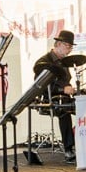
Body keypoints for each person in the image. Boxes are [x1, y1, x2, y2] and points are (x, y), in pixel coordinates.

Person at [33, 29, 78, 163]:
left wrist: (71, 90)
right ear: (58, 44)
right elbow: (41, 86)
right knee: (64, 111)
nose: (69, 50)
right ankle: (69, 149)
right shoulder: (44, 62)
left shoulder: (65, 62)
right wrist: (62, 89)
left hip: (64, 96)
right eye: (67, 46)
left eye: (71, 47)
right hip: (49, 98)